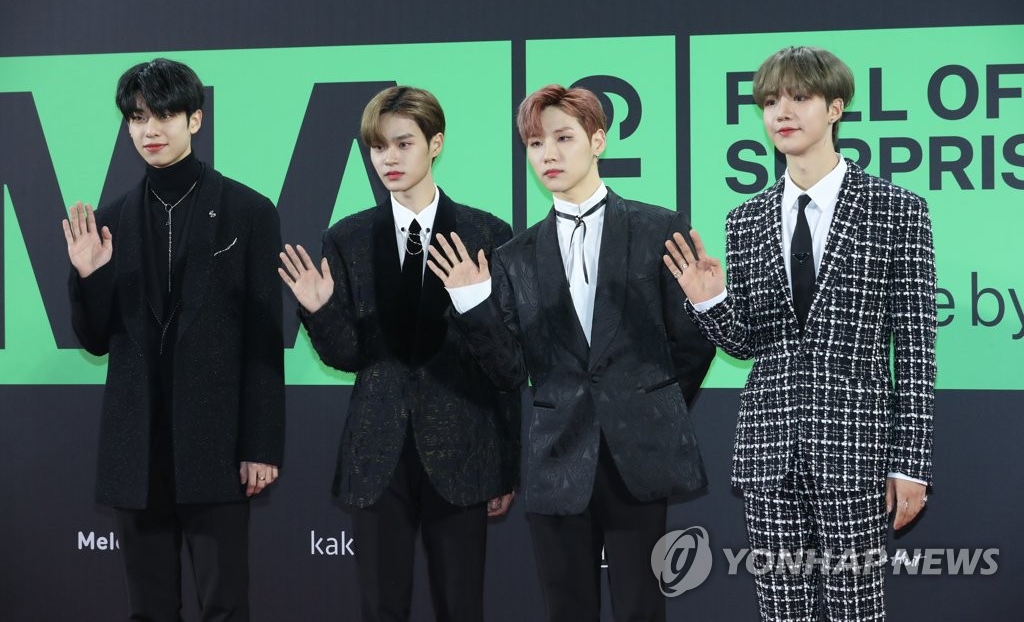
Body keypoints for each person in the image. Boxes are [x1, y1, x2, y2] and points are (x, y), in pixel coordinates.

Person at [663, 45, 936, 621]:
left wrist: (910, 463)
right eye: (770, 102)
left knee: (856, 610)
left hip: (856, 452)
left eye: (799, 98)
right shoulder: (746, 220)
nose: (781, 112)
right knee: (781, 611)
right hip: (769, 452)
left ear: (835, 108)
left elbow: (915, 348)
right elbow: (747, 345)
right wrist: (709, 302)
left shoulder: (896, 211)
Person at [428, 84, 715, 622]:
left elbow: (692, 342)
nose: (549, 155)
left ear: (598, 141)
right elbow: (508, 371)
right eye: (536, 144)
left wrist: (647, 406)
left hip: (640, 456)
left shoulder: (658, 228)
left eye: (563, 138)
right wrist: (473, 303)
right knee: (565, 609)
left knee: (642, 609)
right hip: (556, 460)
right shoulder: (513, 256)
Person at [278, 86, 519, 622]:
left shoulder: (486, 233)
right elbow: (347, 356)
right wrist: (320, 311)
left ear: (436, 144)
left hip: (464, 452)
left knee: (462, 608)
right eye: (378, 146)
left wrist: (506, 464)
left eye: (403, 144)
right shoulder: (347, 238)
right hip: (377, 455)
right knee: (381, 608)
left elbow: (506, 365)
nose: (388, 158)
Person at [63, 58, 284, 621]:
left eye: (163, 115)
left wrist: (260, 445)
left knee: (225, 607)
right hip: (137, 452)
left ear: (195, 119)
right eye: (138, 118)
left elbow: (263, 339)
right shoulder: (109, 221)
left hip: (217, 447)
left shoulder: (249, 211)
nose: (150, 130)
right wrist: (91, 276)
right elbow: (93, 341)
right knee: (149, 610)